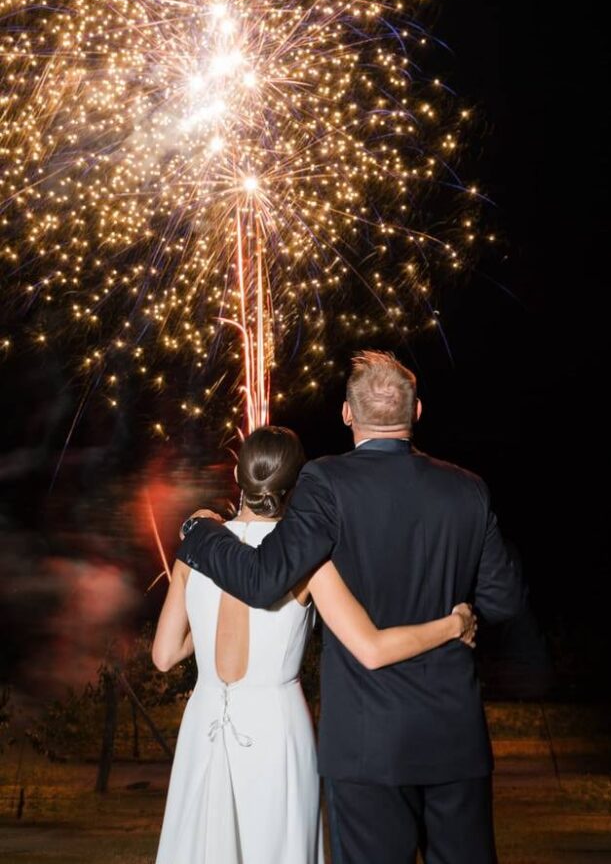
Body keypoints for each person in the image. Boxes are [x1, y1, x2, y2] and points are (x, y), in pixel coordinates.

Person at [178, 350, 525, 864]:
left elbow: (261, 579)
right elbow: (503, 600)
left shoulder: (325, 484)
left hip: (367, 746)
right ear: (418, 411)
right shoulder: (467, 489)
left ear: (347, 414)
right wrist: (458, 617)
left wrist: (198, 531)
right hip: (454, 737)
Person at [154, 424, 477, 864]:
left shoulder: (194, 551)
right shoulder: (308, 564)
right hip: (276, 726)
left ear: (238, 474)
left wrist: (204, 627)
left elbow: (165, 654)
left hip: (204, 721)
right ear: (297, 485)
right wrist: (453, 625)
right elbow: (372, 648)